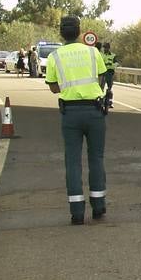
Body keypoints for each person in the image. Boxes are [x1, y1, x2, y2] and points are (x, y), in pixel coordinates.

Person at [46, 15, 109, 225]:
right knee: (96, 158)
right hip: (94, 111)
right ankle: (98, 206)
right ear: (80, 31)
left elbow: (53, 87)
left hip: (70, 113)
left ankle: (77, 212)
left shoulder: (55, 56)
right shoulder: (93, 52)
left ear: (61, 33)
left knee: (72, 161)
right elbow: (102, 78)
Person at [101, 41, 116, 109]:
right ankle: (100, 100)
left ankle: (110, 101)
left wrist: (111, 66)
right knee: (101, 88)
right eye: (104, 47)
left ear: (109, 48)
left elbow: (116, 63)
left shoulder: (113, 55)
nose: (105, 49)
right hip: (102, 73)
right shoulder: (101, 55)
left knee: (109, 88)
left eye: (106, 47)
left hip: (110, 73)